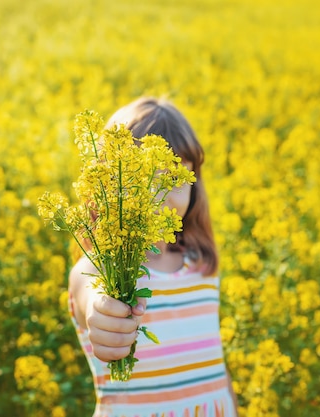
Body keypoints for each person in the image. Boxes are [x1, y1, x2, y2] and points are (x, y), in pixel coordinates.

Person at [69, 97, 239, 417]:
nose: (158, 196)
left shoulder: (202, 266)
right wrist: (104, 317)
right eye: (142, 178)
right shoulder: (98, 269)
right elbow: (92, 298)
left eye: (175, 179)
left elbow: (217, 367)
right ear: (107, 185)